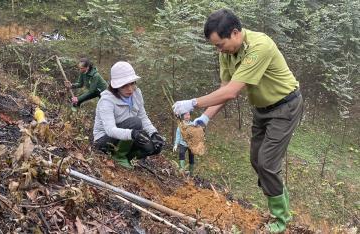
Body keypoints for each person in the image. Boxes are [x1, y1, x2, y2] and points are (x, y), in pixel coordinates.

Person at [173, 9, 303, 233]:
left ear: (235, 33)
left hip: (285, 106)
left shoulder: (259, 46)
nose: (218, 50)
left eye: (219, 44)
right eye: (215, 46)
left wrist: (193, 103)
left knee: (267, 164)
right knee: (256, 160)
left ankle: (281, 220)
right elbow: (224, 90)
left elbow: (232, 92)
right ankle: (282, 206)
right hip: (262, 109)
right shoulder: (227, 53)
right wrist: (204, 119)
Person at [93, 61, 165, 169]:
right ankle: (118, 156)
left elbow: (143, 116)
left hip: (126, 137)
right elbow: (110, 130)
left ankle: (128, 157)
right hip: (104, 141)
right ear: (116, 86)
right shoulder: (106, 101)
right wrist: (132, 134)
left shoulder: (136, 94)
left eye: (132, 83)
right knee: (135, 122)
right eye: (124, 86)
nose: (130, 89)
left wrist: (153, 133)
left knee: (153, 147)